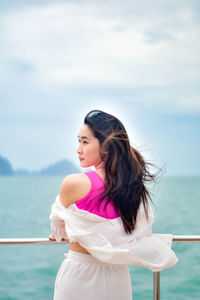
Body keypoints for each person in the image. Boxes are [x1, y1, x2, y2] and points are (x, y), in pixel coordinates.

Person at [49, 110, 178, 300]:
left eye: (85, 141)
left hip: (79, 274)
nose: (78, 149)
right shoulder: (133, 188)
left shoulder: (74, 183)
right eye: (79, 141)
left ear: (107, 147)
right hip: (118, 277)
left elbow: (58, 224)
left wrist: (64, 231)